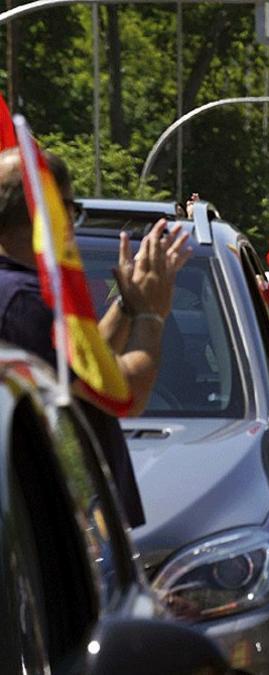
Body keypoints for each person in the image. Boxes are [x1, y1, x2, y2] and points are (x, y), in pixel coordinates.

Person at [0, 149, 190, 529]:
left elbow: (80, 366)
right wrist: (152, 313)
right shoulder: (23, 301)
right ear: (59, 211)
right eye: (72, 209)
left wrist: (127, 303)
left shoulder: (19, 291)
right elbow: (125, 392)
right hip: (58, 532)